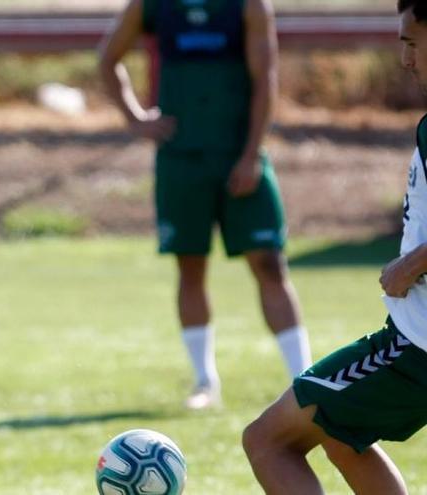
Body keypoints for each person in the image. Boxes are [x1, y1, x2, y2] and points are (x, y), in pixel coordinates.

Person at [242, 2, 427, 493]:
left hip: (417, 350)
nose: (405, 59)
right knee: (342, 434)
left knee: (267, 441)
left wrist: (411, 264)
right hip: (412, 339)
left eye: (412, 42)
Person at [98, 0, 311, 409]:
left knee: (269, 263)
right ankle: (204, 383)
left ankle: (304, 381)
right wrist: (135, 118)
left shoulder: (249, 6)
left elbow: (266, 78)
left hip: (239, 156)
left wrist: (251, 154)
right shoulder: (151, 5)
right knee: (191, 266)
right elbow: (107, 59)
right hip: (181, 161)